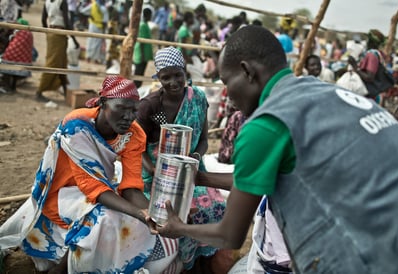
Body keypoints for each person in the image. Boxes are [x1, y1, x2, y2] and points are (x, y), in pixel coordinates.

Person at [151, 25, 398, 273]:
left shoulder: (266, 124)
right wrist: (203, 178)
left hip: (373, 259)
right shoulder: (322, 93)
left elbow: (230, 235)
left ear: (247, 71)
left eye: (227, 82)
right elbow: (258, 179)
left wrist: (180, 227)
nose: (229, 95)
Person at [0, 76, 179, 273]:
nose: (129, 116)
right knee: (105, 219)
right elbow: (94, 188)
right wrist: (139, 213)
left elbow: (130, 187)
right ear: (102, 103)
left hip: (98, 188)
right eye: (122, 107)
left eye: (134, 110)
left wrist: (152, 215)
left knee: (142, 227)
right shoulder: (77, 125)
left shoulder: (134, 134)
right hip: (60, 192)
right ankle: (65, 268)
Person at [136, 46, 228, 273]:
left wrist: (192, 163)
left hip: (192, 170)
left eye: (178, 74)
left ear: (185, 72)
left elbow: (204, 140)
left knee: (216, 207)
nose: (173, 82)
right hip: (155, 174)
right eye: (165, 77)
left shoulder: (197, 98)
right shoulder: (150, 106)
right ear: (158, 78)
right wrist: (156, 171)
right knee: (175, 213)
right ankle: (184, 263)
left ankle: (195, 261)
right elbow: (135, 147)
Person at [36, 0, 71, 101]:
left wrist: (48, 32)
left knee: (62, 63)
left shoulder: (47, 2)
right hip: (59, 34)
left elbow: (43, 19)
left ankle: (65, 91)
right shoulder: (62, 2)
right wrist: (73, 37)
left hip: (51, 33)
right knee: (52, 63)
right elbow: (67, 21)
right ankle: (39, 91)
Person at [0, 18, 33, 93]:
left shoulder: (16, 32)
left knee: (6, 66)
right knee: (16, 69)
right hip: (24, 58)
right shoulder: (29, 33)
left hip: (11, 55)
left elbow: (8, 43)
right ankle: (13, 87)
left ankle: (6, 86)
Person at [132, 7, 153, 88]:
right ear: (147, 15)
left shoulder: (146, 24)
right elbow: (141, 42)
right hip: (141, 55)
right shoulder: (143, 25)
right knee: (138, 75)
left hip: (144, 55)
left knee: (140, 75)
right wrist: (143, 55)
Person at [85, 0, 108, 64]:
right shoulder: (104, 8)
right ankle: (95, 59)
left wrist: (90, 16)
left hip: (92, 26)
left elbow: (83, 11)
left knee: (90, 41)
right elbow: (105, 21)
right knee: (97, 43)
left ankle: (88, 57)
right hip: (99, 27)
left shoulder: (92, 5)